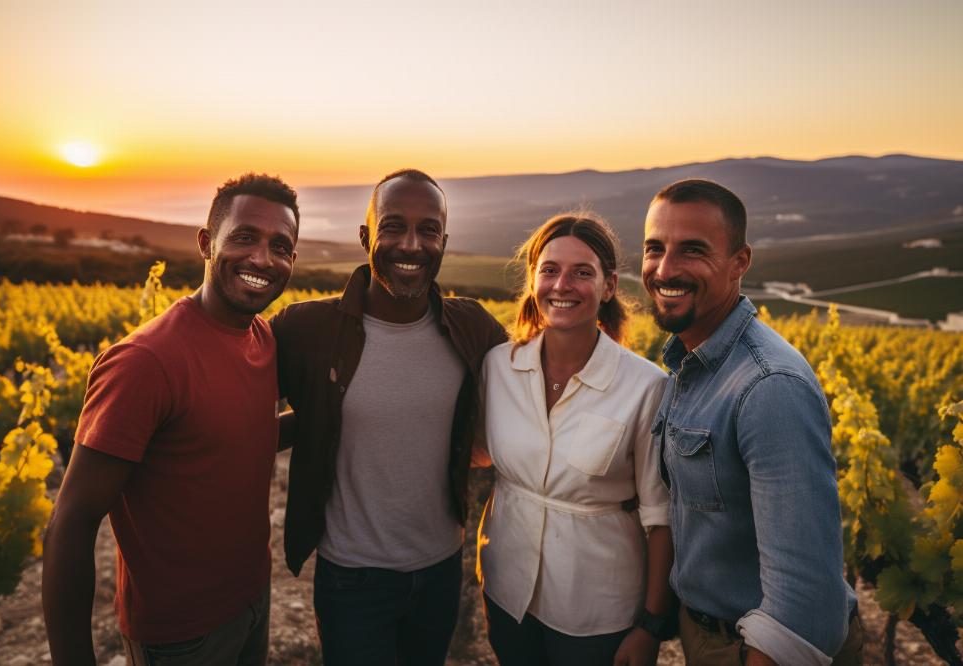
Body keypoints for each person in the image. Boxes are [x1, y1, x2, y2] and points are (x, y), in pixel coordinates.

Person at [42, 173, 300, 666]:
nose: (262, 258)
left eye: (280, 246)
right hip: (178, 636)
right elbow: (71, 524)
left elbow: (236, 440)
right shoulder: (146, 362)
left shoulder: (262, 340)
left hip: (251, 600)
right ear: (206, 243)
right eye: (244, 237)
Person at [270, 168, 507, 665]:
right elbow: (236, 410)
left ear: (444, 239)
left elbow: (537, 389)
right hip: (352, 577)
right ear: (365, 237)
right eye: (393, 226)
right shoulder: (307, 330)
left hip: (442, 566)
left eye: (428, 230)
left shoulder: (471, 327)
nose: (411, 245)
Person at [642, 179, 862, 665]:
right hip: (709, 634)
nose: (665, 268)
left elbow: (804, 604)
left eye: (692, 251)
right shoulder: (691, 362)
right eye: (654, 248)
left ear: (739, 262)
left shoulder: (768, 387)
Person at [476, 213, 675, 666]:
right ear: (533, 280)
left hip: (598, 610)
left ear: (608, 287)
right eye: (549, 270)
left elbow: (660, 517)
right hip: (506, 590)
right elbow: (480, 455)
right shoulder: (497, 368)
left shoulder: (645, 386)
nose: (562, 285)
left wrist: (649, 625)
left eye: (582, 272)